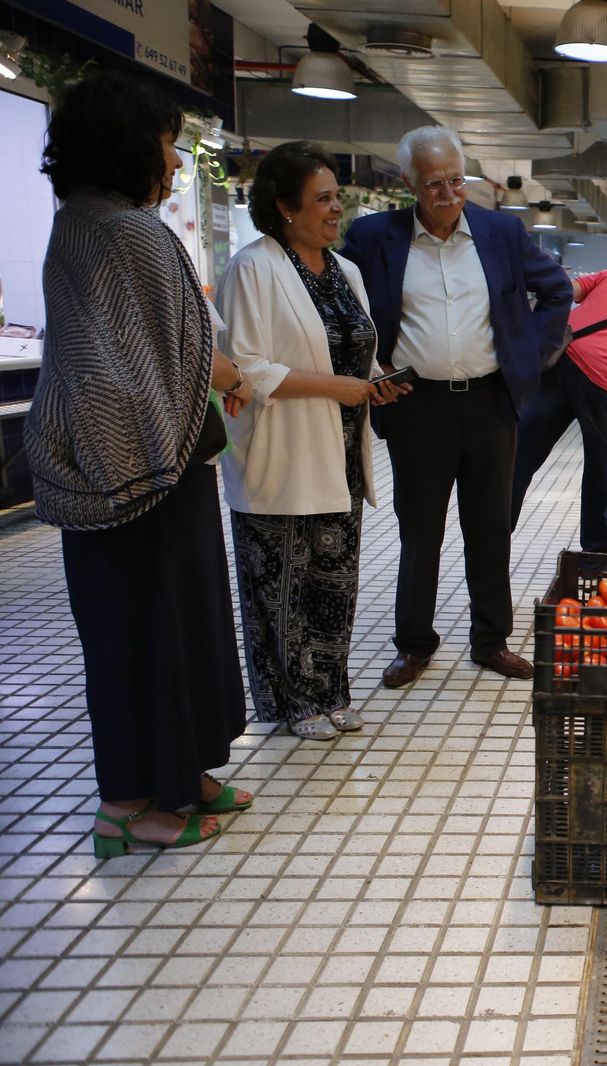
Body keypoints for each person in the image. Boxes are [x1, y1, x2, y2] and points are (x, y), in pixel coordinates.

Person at [25, 73, 250, 856]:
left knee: (172, 632)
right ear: (129, 146)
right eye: (166, 145)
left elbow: (160, 344)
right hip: (138, 477)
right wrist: (148, 454)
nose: (176, 163)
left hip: (145, 468)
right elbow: (129, 361)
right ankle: (126, 806)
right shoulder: (119, 230)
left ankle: (179, 776)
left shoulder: (92, 222)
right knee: (138, 637)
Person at [341, 127, 572, 688]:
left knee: (490, 527)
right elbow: (340, 305)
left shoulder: (501, 232)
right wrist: (370, 370)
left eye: (454, 180)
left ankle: (491, 641)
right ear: (408, 184)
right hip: (418, 405)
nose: (447, 194)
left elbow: (557, 291)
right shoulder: (375, 237)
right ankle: (414, 644)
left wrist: (530, 354)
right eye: (433, 184)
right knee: (420, 530)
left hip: (491, 402)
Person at [216, 141, 402, 741]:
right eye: (322, 199)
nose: (334, 210)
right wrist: (336, 386)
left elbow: (353, 353)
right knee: (284, 587)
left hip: (341, 454)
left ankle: (331, 691)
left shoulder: (345, 271)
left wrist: (374, 384)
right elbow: (244, 366)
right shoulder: (254, 267)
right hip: (282, 453)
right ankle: (295, 704)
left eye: (336, 198)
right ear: (284, 207)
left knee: (334, 582)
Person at [510, 269, 607, 550]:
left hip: (562, 360)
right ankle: (594, 550)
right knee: (601, 467)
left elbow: (565, 290)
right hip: (606, 378)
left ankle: (494, 530)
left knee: (519, 455)